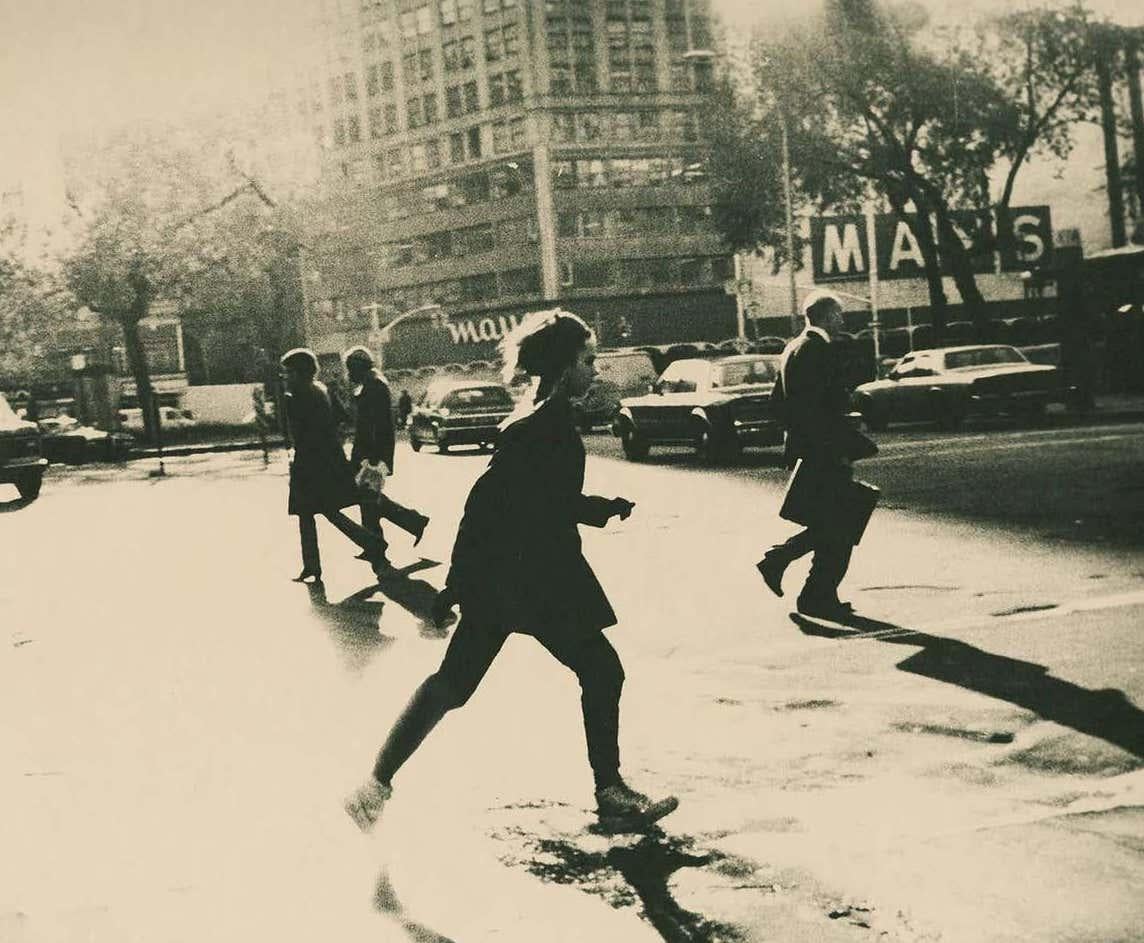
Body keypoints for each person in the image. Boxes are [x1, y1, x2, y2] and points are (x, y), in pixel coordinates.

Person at [345, 311, 679, 834]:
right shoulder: (544, 425)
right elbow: (491, 506)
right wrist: (457, 582)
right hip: (536, 578)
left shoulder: (537, 418)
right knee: (600, 670)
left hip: (507, 578)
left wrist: (593, 508)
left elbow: (530, 500)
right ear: (565, 365)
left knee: (454, 685)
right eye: (588, 361)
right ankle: (610, 791)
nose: (594, 372)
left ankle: (373, 786)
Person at [757, 291, 862, 620]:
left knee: (833, 525)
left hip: (810, 452)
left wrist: (798, 441)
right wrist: (838, 449)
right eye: (839, 315)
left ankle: (816, 595)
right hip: (825, 453)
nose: (842, 320)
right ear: (828, 316)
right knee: (839, 525)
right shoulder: (821, 350)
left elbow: (777, 404)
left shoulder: (792, 349)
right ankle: (780, 561)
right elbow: (823, 409)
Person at [281, 348, 387, 583]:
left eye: (288, 372)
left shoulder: (295, 397)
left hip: (309, 463)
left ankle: (315, 565)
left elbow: (297, 435)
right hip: (330, 457)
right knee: (322, 512)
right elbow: (344, 417)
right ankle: (365, 544)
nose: (285, 377)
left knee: (310, 514)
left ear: (299, 373)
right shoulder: (323, 390)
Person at [343, 348, 429, 569]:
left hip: (371, 455)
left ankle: (382, 542)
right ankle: (384, 538)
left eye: (350, 368)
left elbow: (377, 426)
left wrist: (372, 458)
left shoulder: (374, 386)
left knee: (369, 499)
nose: (348, 373)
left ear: (358, 366)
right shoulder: (371, 383)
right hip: (370, 453)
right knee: (368, 499)